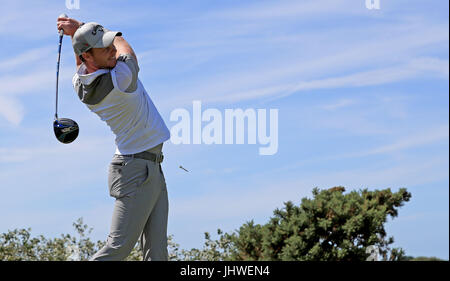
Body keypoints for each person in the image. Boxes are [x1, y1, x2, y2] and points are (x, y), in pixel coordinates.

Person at [57, 16, 170, 261]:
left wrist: (78, 34)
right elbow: (127, 50)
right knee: (117, 249)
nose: (111, 51)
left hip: (147, 166)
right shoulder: (120, 78)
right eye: (104, 48)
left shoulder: (80, 82)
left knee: (157, 251)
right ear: (89, 55)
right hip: (136, 170)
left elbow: (80, 61)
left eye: (110, 45)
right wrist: (98, 30)